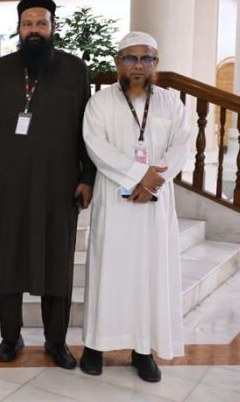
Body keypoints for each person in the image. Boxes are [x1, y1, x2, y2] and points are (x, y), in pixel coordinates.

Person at [0, 0, 96, 369]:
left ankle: (56, 341)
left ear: (52, 27)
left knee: (57, 263)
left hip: (59, 185)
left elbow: (88, 130)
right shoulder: (2, 70)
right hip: (12, 183)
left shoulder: (75, 69)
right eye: (27, 24)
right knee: (11, 259)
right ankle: (10, 338)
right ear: (18, 28)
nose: (34, 30)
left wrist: (87, 176)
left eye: (41, 23)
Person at [80, 31, 189, 382]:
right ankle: (95, 346)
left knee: (149, 275)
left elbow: (181, 146)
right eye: (131, 58)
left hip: (154, 204)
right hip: (115, 202)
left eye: (146, 59)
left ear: (156, 63)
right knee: (107, 274)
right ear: (118, 62)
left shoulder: (171, 104)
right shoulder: (100, 103)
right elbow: (96, 146)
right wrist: (140, 175)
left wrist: (154, 181)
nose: (138, 66)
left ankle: (143, 351)